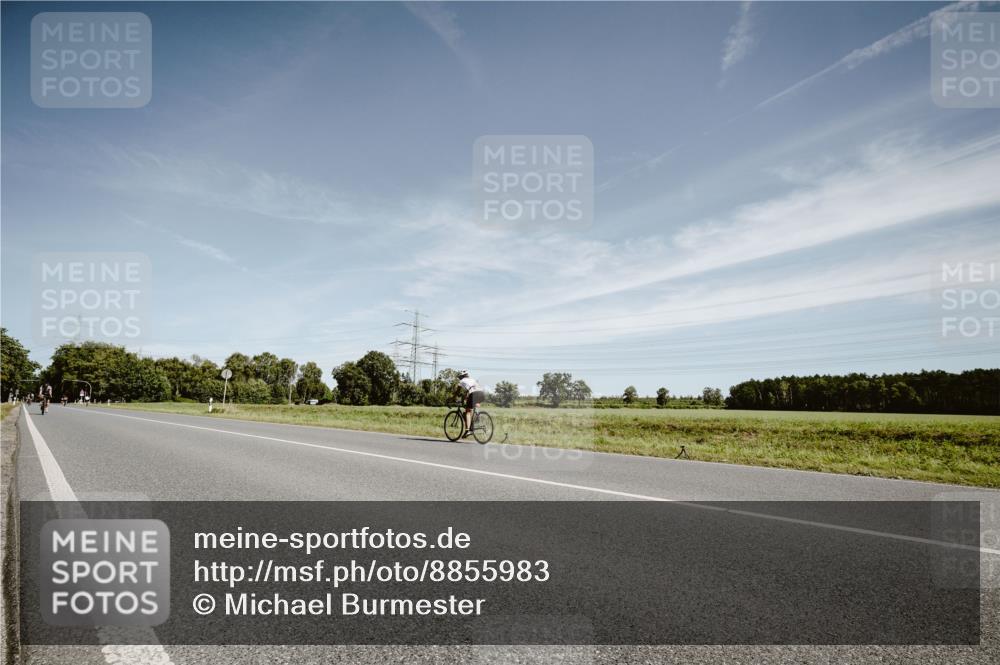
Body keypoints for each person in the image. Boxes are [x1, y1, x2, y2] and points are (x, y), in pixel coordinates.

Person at [454, 370, 484, 437]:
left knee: (467, 411)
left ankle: (468, 430)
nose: (459, 378)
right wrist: (465, 398)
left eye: (459, 377)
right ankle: (477, 418)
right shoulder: (472, 380)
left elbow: (457, 392)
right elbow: (468, 392)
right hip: (482, 393)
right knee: (471, 407)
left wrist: (453, 398)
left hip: (474, 394)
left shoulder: (462, 381)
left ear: (462, 376)